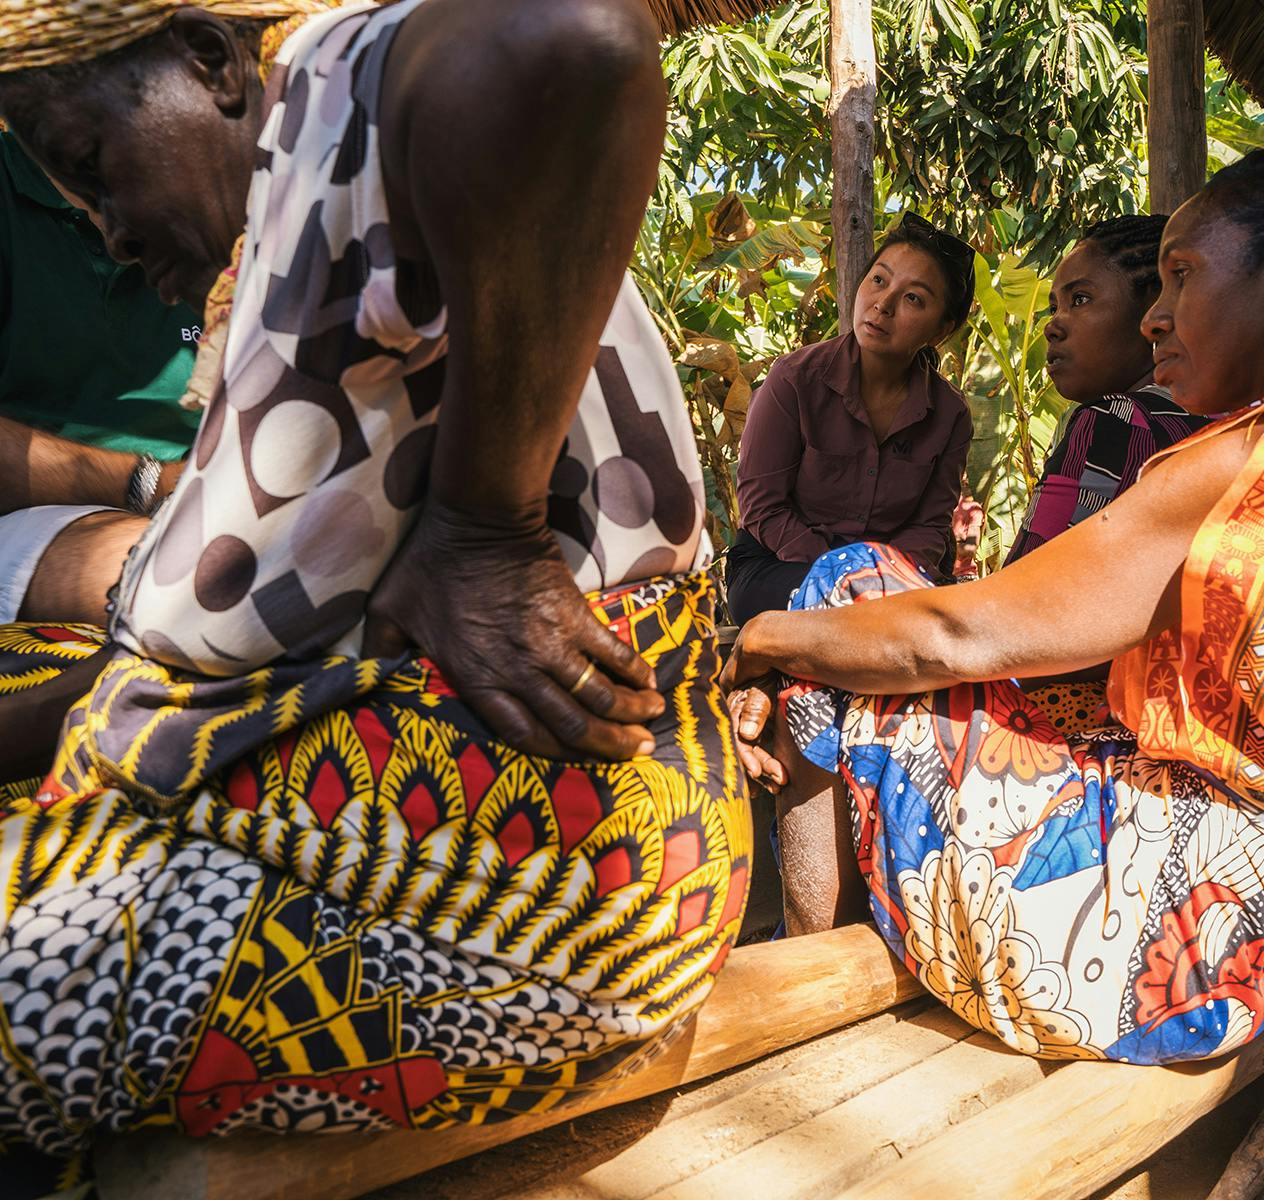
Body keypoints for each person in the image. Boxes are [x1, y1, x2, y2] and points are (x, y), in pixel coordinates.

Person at [0, 0, 750, 1184]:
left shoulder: (334, 81)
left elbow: (573, 34)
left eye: (94, 165)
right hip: (542, 872)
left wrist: (487, 530)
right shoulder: (339, 226)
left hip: (527, 896)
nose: (108, 226)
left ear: (207, 60)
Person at [726, 135, 1264, 1064]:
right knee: (861, 630)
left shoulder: (1241, 460)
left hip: (1131, 955)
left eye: (1182, 278)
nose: (1157, 319)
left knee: (852, 584)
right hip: (1261, 941)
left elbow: (960, 632)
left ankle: (810, 971)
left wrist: (761, 637)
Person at [727, 214, 974, 622]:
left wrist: (881, 577)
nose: (884, 304)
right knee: (849, 609)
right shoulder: (794, 380)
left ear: (941, 330)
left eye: (913, 298)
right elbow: (762, 507)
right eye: (879, 280)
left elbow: (930, 527)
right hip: (780, 566)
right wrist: (844, 574)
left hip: (887, 580)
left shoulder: (949, 415)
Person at [0, 129, 199, 625]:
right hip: (47, 519)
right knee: (193, 580)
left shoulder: (222, 182)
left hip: (227, 495)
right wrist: (154, 484)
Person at [1004, 214, 1211, 564]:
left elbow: (1019, 590)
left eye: (1080, 299)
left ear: (1154, 308)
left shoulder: (1115, 421)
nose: (1052, 326)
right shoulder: (1233, 418)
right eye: (1054, 307)